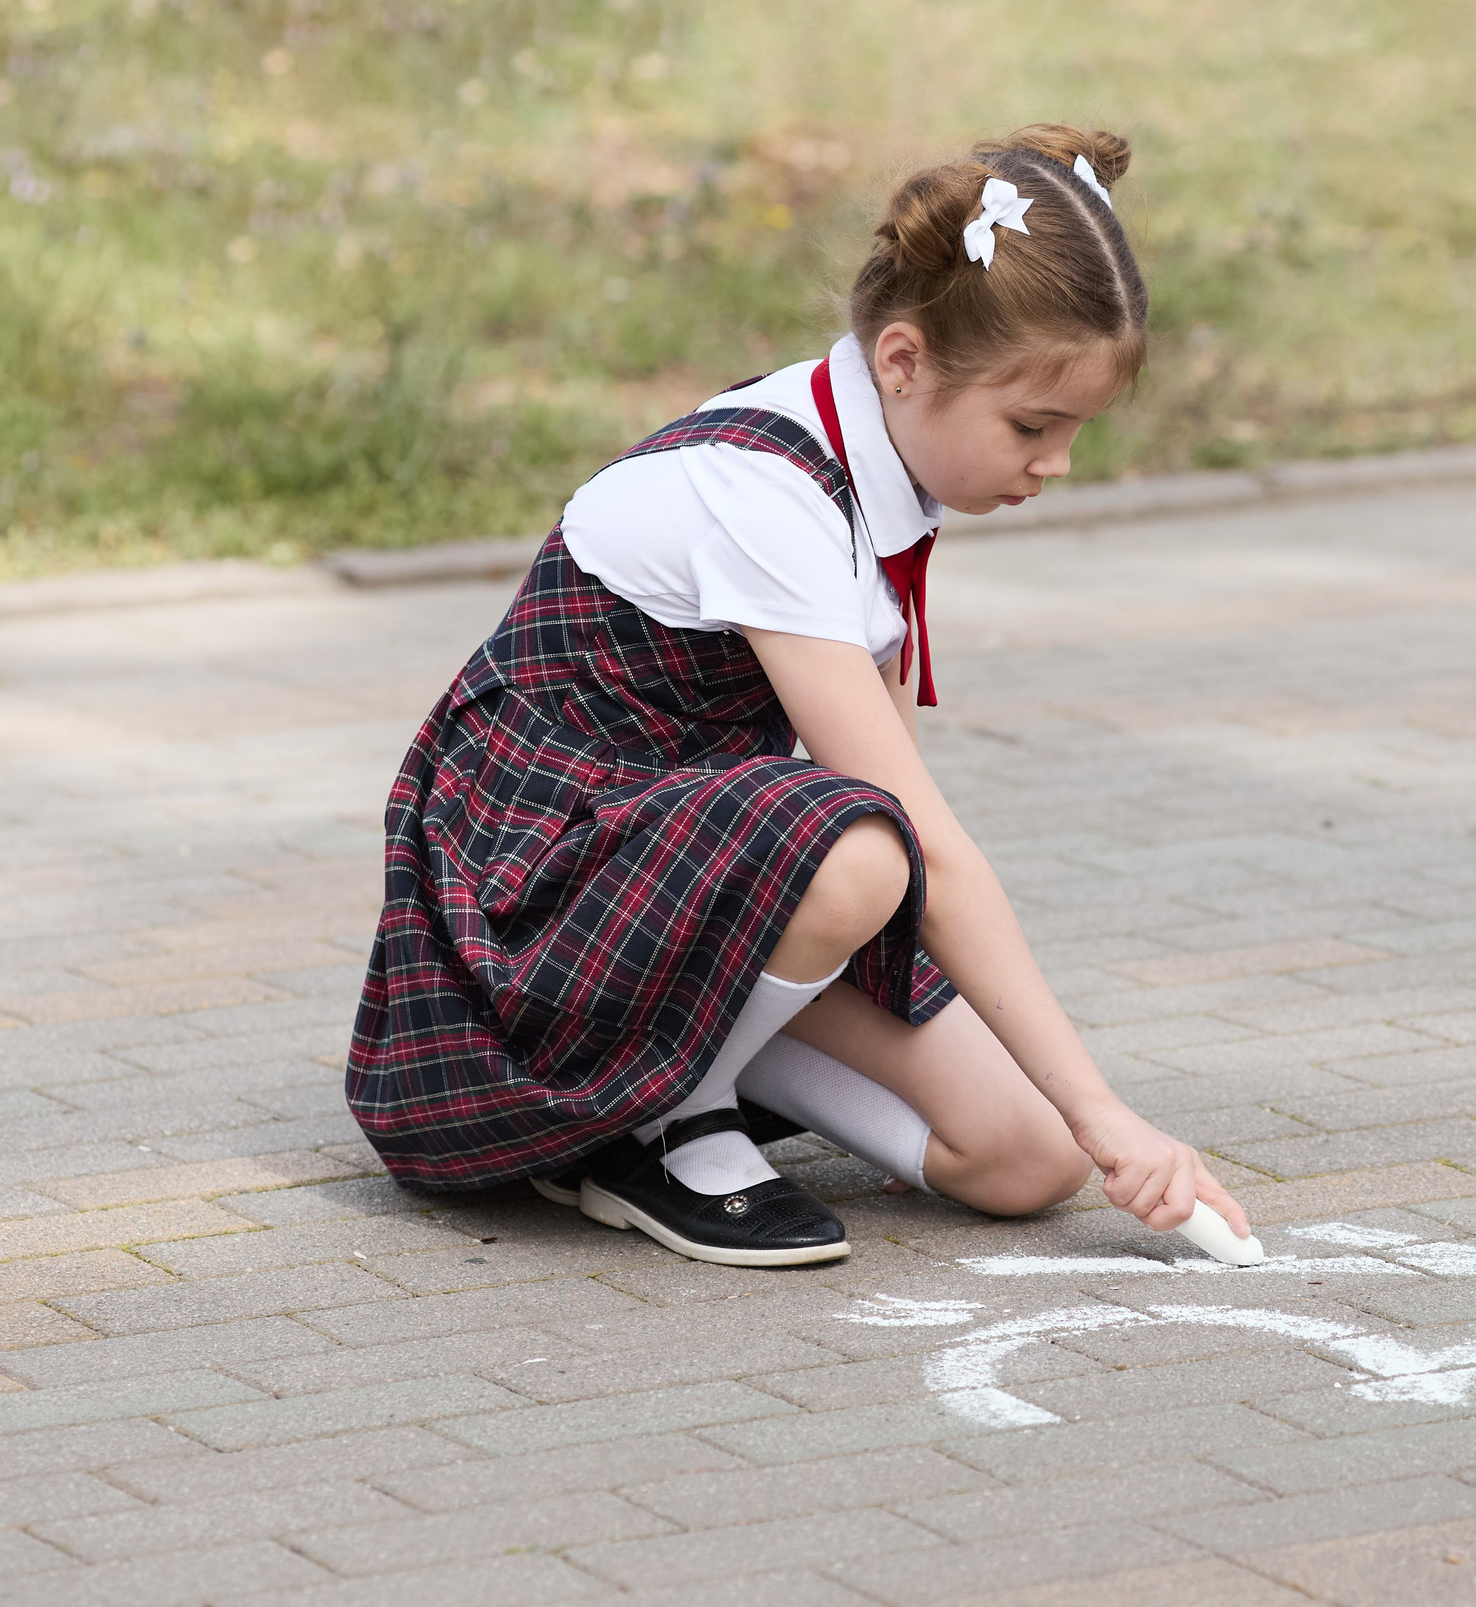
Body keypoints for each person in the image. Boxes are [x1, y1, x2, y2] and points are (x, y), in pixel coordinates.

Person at [347, 124, 1250, 1267]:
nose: (1056, 463)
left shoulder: (884, 470)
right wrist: (1109, 1107)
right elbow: (907, 831)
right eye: (1033, 425)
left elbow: (880, 795)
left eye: (1074, 429)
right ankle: (649, 1127)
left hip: (693, 881)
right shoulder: (766, 491)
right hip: (538, 894)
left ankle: (694, 1053)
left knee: (1027, 1162)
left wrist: (1079, 1131)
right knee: (867, 854)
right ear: (904, 363)